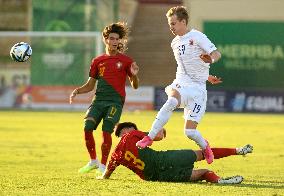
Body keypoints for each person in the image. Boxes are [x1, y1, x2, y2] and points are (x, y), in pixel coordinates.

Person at [136, 6, 222, 165]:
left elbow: (216, 54)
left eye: (174, 23)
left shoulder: (197, 36)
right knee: (171, 101)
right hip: (181, 83)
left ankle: (205, 146)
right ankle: (149, 137)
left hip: (197, 90)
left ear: (183, 22)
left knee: (189, 132)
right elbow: (186, 66)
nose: (171, 27)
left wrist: (210, 61)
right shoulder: (174, 42)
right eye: (170, 24)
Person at [69, 22, 139, 174]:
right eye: (112, 38)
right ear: (106, 39)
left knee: (106, 131)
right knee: (87, 127)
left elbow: (135, 85)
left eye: (117, 39)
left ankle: (102, 166)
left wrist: (134, 75)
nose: (115, 42)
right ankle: (93, 161)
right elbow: (90, 85)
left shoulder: (126, 61)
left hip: (115, 102)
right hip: (98, 101)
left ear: (120, 41)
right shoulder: (97, 61)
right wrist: (77, 91)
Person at [98, 122, 253, 183]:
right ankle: (238, 150)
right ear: (129, 130)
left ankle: (220, 181)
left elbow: (107, 173)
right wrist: (161, 128)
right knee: (203, 153)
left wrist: (102, 177)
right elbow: (159, 135)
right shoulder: (133, 135)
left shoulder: (115, 154)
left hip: (157, 177)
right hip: (165, 160)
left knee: (203, 173)